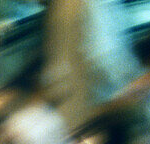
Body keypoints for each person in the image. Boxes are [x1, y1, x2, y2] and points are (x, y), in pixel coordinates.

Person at [43, 0, 143, 129]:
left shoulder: (62, 4)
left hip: (69, 110)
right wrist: (137, 83)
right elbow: (103, 59)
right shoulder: (95, 3)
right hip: (97, 112)